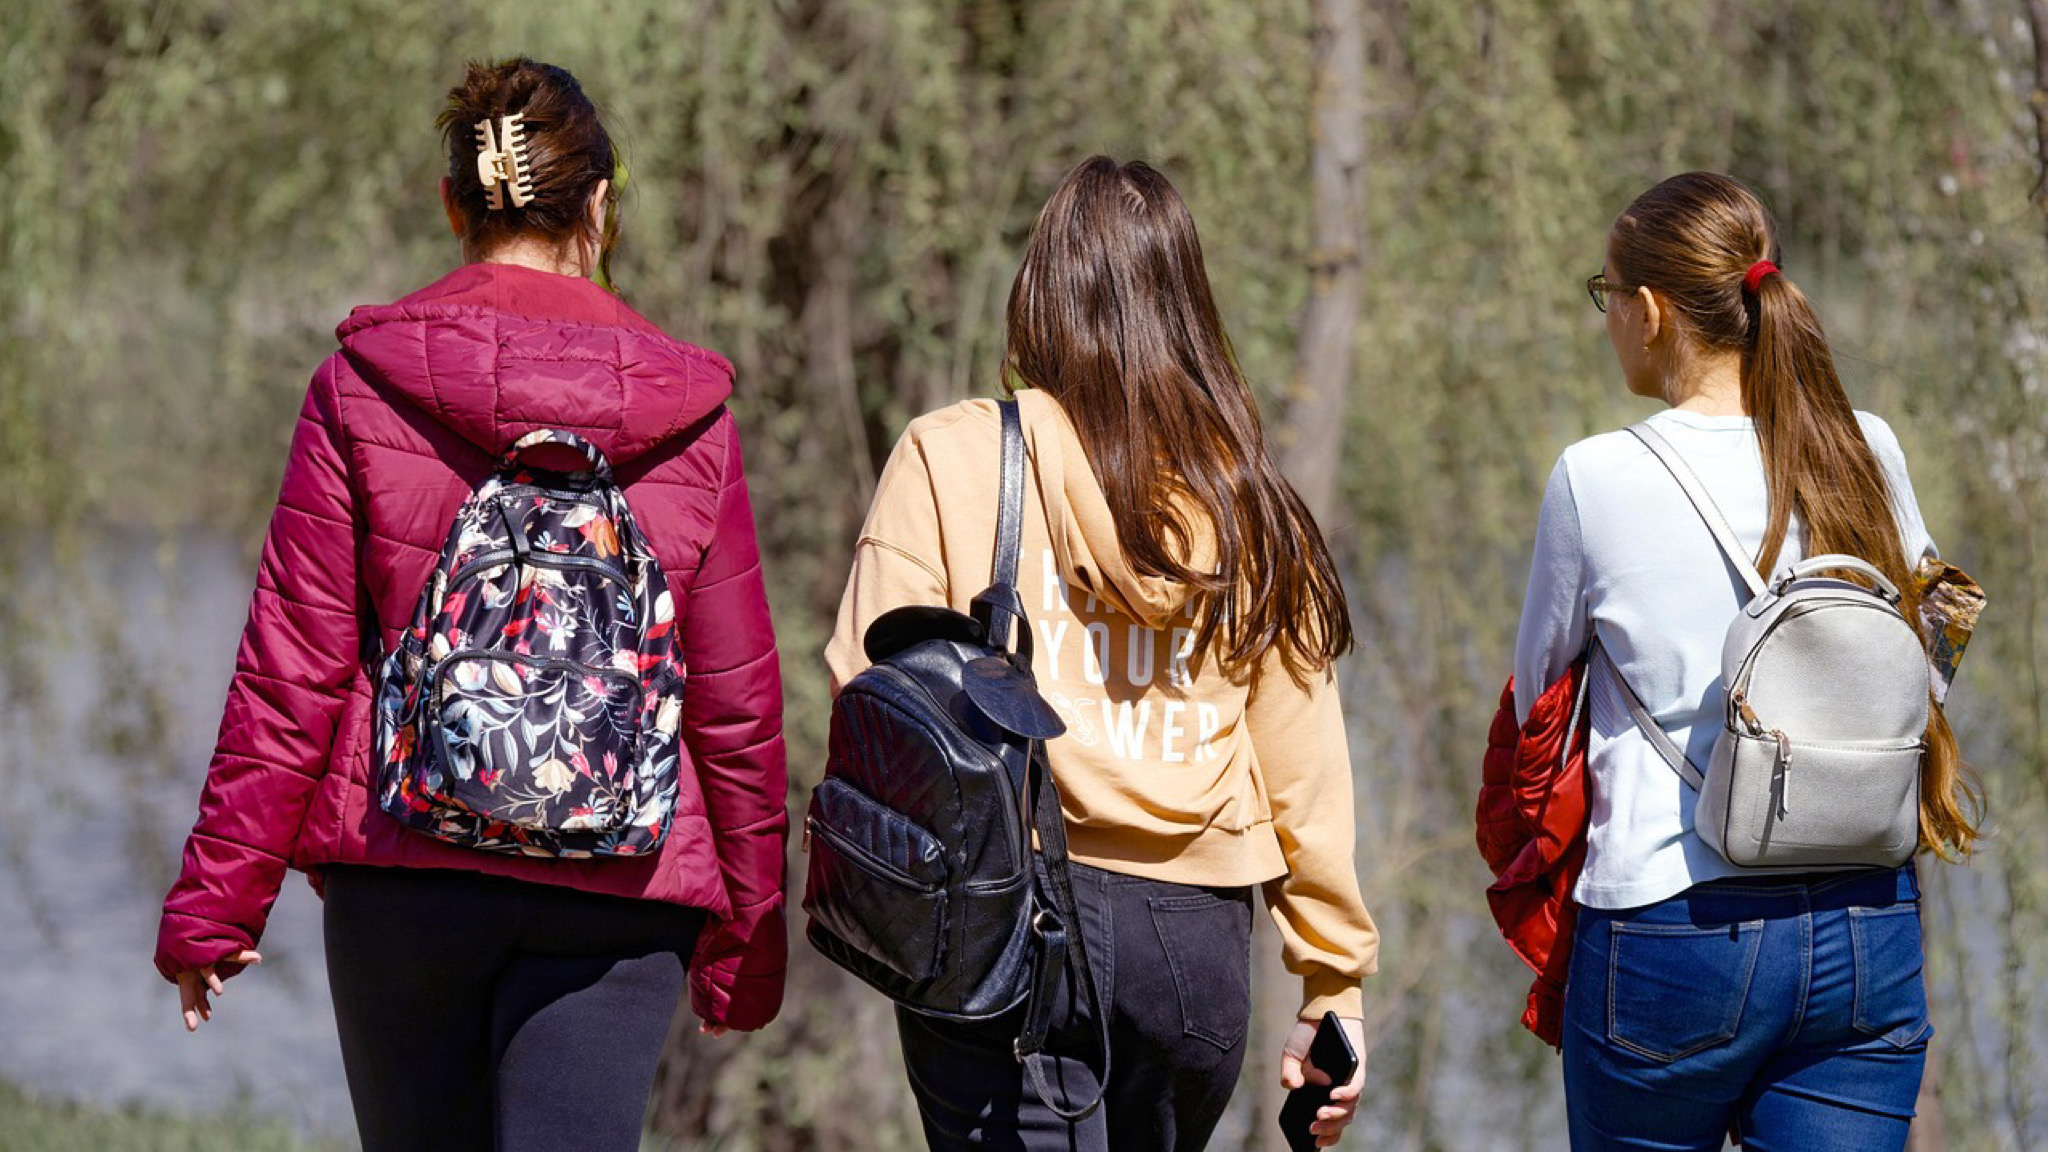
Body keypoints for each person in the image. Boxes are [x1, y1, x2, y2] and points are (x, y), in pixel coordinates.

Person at [152, 58, 788, 1152]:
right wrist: (748, 935)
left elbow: (292, 663)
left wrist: (220, 898)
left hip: (405, 868)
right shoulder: (691, 413)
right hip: (620, 878)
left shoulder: (363, 382)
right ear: (599, 203)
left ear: (454, 204)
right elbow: (734, 701)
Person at [825, 156, 1379, 1151]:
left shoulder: (951, 456)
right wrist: (1331, 983)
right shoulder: (1248, 502)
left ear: (1037, 295)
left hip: (1000, 923)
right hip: (1194, 949)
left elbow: (866, 696)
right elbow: (1304, 774)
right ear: (1188, 310)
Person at [1516, 171, 1981, 1150]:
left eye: (1604, 297)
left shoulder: (1595, 476)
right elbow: (1919, 666)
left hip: (1669, 927)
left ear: (1647, 312)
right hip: (1866, 916)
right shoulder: (1863, 445)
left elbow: (1533, 705)